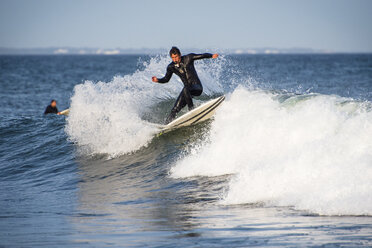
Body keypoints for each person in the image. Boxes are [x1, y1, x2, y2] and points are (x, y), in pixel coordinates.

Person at [152, 46, 219, 123]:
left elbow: (201, 55)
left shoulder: (188, 58)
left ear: (180, 54)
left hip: (197, 87)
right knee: (175, 109)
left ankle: (191, 111)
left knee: (186, 88)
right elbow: (166, 79)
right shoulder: (171, 67)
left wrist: (211, 56)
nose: (175, 59)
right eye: (173, 58)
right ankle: (165, 125)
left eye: (176, 57)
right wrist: (158, 80)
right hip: (187, 91)